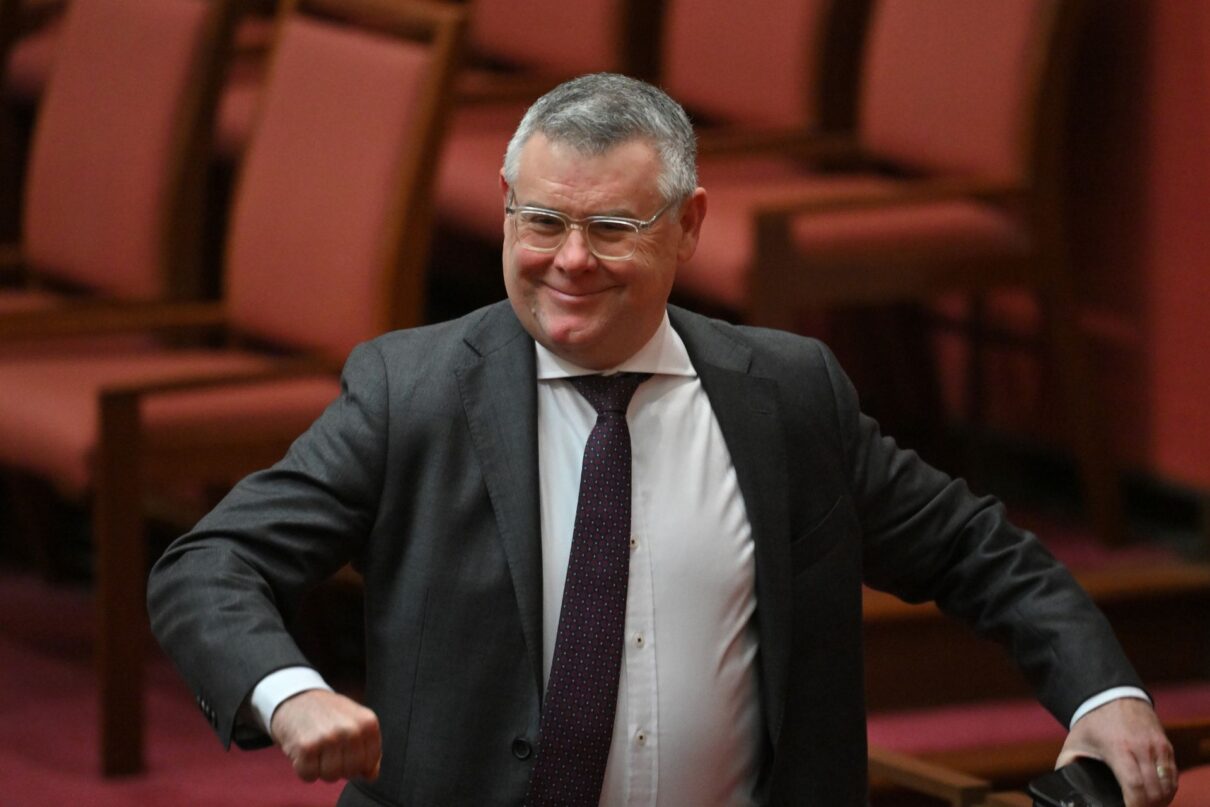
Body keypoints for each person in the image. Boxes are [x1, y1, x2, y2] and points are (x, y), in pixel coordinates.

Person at [148, 73, 1178, 807]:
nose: (569, 261)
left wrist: (1105, 694)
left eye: (612, 229)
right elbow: (211, 564)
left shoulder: (785, 396)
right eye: (540, 220)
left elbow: (974, 552)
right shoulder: (409, 391)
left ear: (688, 226)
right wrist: (289, 694)